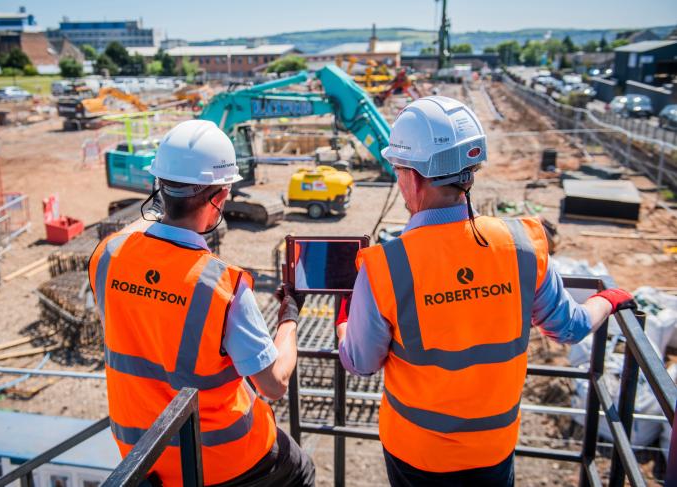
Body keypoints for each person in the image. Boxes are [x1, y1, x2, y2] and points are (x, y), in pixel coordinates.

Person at [335, 96, 635, 486]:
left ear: (411, 176)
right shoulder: (523, 243)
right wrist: (608, 298)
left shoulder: (384, 266)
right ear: (469, 172)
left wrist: (344, 321)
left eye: (397, 169)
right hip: (493, 448)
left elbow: (360, 362)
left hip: (417, 452)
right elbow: (570, 327)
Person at [89, 120, 315, 486]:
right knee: (300, 469)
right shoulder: (222, 286)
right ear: (220, 198)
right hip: (221, 458)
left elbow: (135, 238)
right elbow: (274, 384)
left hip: (142, 453)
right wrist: (289, 316)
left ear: (158, 186)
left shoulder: (107, 256)